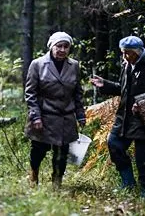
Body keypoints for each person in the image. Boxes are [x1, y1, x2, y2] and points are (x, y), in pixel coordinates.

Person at [90, 36, 145, 197]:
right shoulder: (126, 64)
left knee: (143, 156)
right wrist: (105, 84)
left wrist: (142, 100)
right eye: (123, 53)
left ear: (138, 52)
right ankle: (127, 183)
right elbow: (124, 90)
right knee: (114, 144)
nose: (125, 57)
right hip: (125, 118)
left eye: (128, 53)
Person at [24, 31, 86, 189]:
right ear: (51, 46)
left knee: (61, 154)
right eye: (59, 46)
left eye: (66, 46)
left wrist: (80, 115)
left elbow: (78, 93)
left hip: (66, 118)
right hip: (44, 117)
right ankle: (33, 176)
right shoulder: (37, 64)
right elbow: (30, 93)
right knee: (38, 150)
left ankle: (56, 183)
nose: (62, 50)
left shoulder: (74, 65)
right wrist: (35, 117)